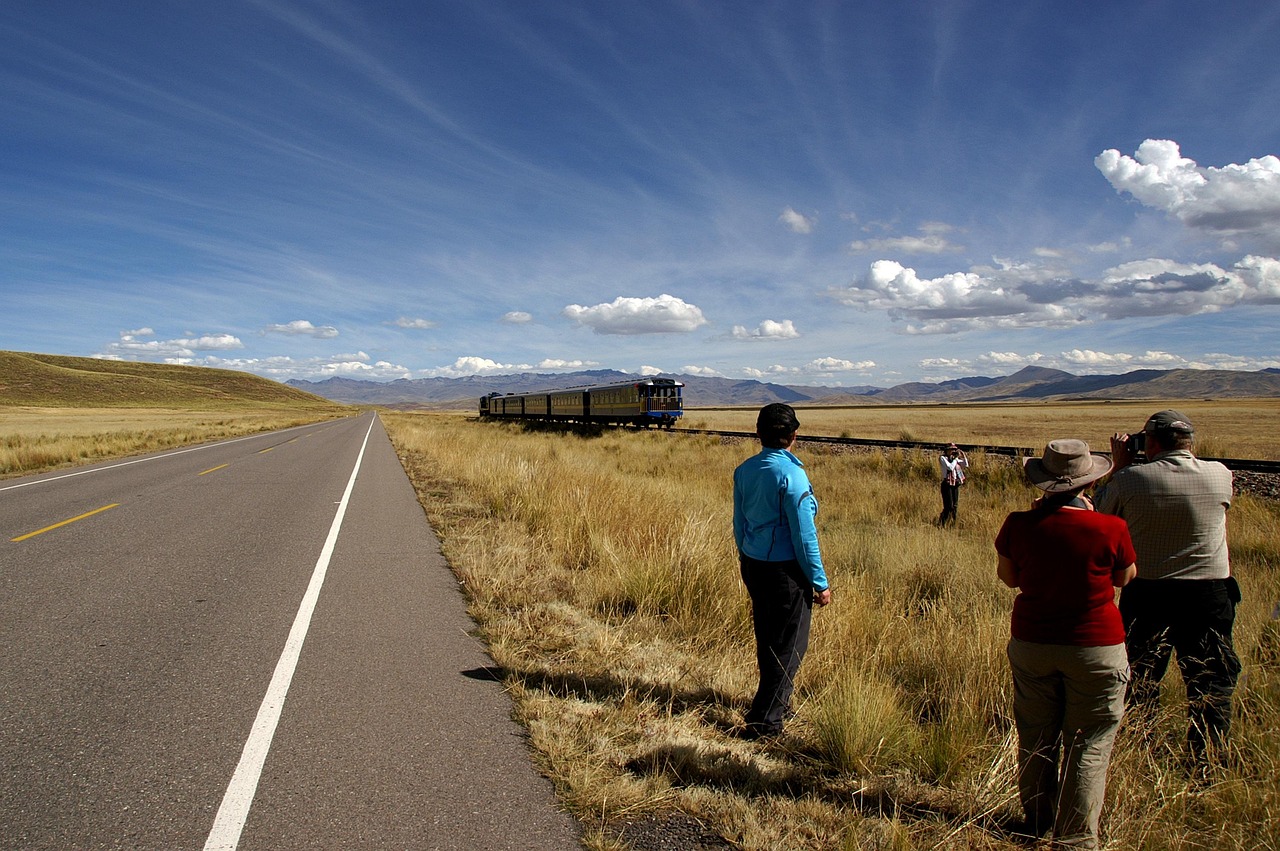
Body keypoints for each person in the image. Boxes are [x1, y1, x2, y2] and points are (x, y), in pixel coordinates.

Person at [996, 439, 1136, 849]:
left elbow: (1009, 578)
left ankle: (1037, 819)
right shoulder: (1111, 528)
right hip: (1096, 645)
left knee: (1036, 735)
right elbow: (1125, 578)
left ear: (1043, 483)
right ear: (1088, 484)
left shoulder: (1018, 524)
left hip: (1033, 641)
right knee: (1088, 742)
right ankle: (1075, 839)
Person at [1094, 410, 1240, 772]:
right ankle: (1207, 761)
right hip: (1210, 595)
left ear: (1151, 443)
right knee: (1211, 681)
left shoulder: (1129, 479)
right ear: (1190, 442)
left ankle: (1143, 753)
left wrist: (1119, 467)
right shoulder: (1221, 474)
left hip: (1149, 593)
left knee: (1141, 677)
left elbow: (1098, 514)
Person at [732, 403, 832, 739]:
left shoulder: (745, 470)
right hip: (786, 572)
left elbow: (739, 523)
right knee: (789, 646)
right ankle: (766, 722)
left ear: (758, 433)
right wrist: (819, 582)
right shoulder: (793, 475)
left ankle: (775, 702)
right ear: (794, 436)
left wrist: (747, 556)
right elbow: (805, 537)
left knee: (768, 639)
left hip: (754, 564)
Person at [937, 443, 969, 527]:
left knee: (955, 506)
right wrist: (955, 459)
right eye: (951, 449)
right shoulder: (943, 458)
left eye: (954, 450)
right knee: (948, 506)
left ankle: (953, 523)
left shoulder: (954, 459)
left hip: (955, 483)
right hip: (947, 484)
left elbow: (965, 465)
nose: (953, 451)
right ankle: (942, 523)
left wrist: (963, 456)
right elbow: (950, 467)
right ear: (947, 450)